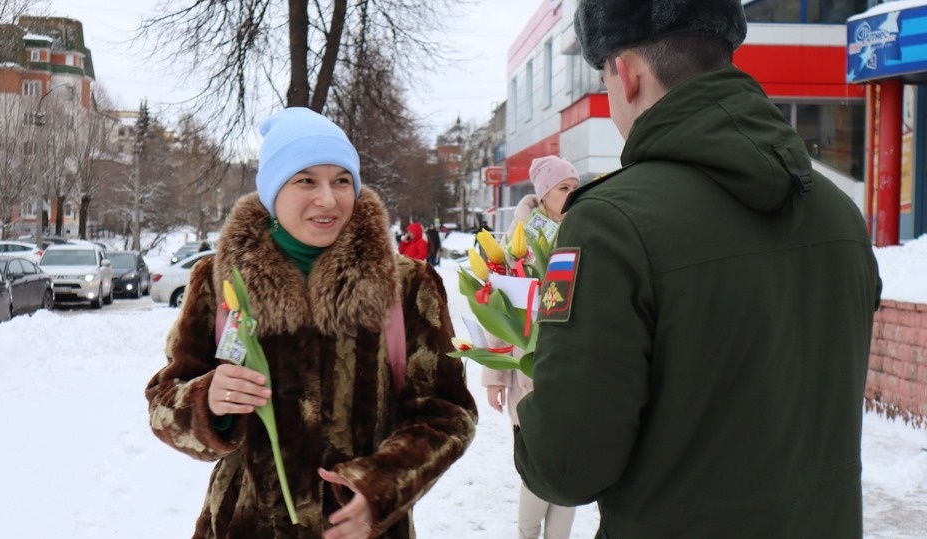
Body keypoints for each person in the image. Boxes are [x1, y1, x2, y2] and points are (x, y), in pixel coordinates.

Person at [514, 2, 882, 538]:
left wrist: (531, 414)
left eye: (603, 76)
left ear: (626, 72)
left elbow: (567, 468)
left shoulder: (610, 224)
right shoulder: (838, 211)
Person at [145, 107, 477, 539]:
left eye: (342, 180)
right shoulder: (219, 280)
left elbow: (447, 414)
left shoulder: (407, 285)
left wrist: (379, 488)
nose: (328, 199)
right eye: (306, 180)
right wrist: (208, 402)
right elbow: (163, 403)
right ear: (272, 191)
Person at [482, 155, 579, 539]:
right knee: (538, 465)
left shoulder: (583, 231)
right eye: (564, 188)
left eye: (575, 186)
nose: (572, 194)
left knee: (570, 466)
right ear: (543, 195)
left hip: (574, 369)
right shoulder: (520, 243)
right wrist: (495, 376)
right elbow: (499, 312)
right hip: (531, 375)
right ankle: (528, 534)